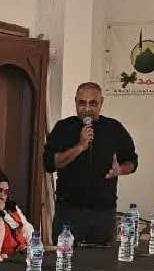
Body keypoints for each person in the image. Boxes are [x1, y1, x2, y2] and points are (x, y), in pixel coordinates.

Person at [43, 81, 138, 244]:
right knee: (65, 258)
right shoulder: (63, 128)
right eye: (82, 103)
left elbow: (132, 162)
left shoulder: (114, 128)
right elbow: (50, 164)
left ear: (101, 102)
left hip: (104, 214)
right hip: (69, 213)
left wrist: (120, 170)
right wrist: (80, 146)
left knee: (103, 260)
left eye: (93, 103)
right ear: (75, 102)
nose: (87, 109)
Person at [0, 171, 33, 257]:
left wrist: (33, 246)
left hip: (23, 254)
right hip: (5, 259)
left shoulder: (12, 207)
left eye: (5, 192)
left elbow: (27, 229)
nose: (3, 196)